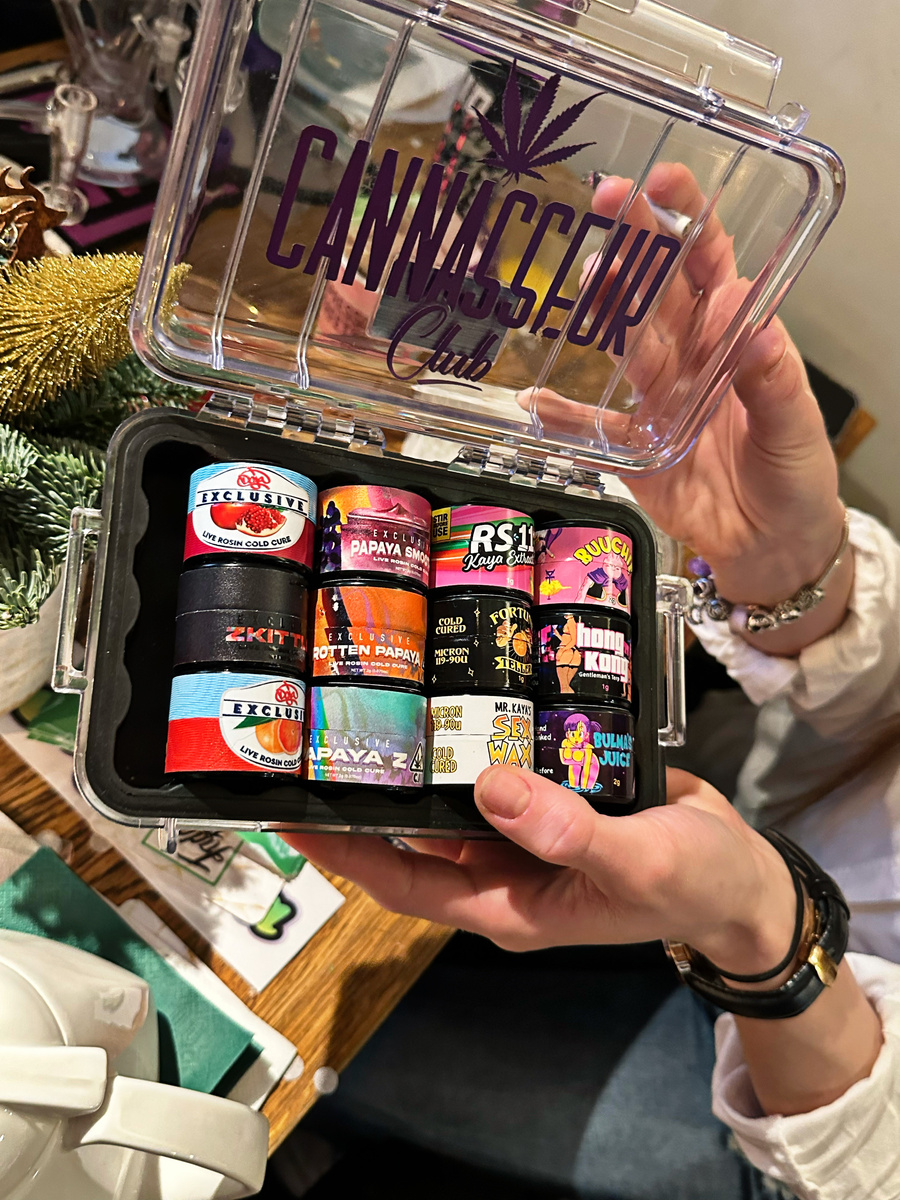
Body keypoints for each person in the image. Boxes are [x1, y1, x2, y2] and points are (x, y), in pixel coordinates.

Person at [286, 165, 900, 1200]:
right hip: (749, 839)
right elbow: (876, 711)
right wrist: (793, 572)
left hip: (803, 1103)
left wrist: (761, 926)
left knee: (326, 1056)